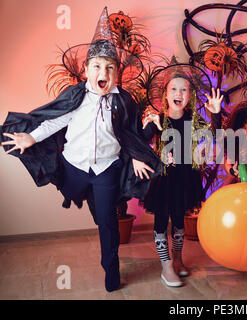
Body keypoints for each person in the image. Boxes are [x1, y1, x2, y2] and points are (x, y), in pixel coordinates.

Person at [0, 8, 162, 292]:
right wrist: (32, 139)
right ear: (86, 70)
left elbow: (130, 134)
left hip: (106, 169)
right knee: (72, 188)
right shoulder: (76, 96)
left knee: (107, 220)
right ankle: (77, 193)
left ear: (117, 73)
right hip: (73, 166)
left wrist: (138, 154)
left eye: (110, 67)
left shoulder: (123, 101)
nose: (103, 72)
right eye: (97, 66)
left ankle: (111, 270)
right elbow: (55, 120)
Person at [141, 60, 223, 287]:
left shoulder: (193, 120)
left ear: (189, 95)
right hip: (163, 180)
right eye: (173, 89)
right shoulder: (157, 119)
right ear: (165, 94)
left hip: (185, 179)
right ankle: (166, 265)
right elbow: (140, 144)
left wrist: (215, 115)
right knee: (162, 220)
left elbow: (215, 136)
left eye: (184, 89)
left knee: (179, 221)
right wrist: (157, 156)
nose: (179, 93)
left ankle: (178, 259)